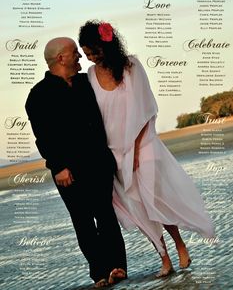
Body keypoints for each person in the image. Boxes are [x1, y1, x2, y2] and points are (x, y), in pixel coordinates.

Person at [78, 21, 215, 278]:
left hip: (145, 143)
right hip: (115, 152)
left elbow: (146, 107)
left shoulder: (131, 66)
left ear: (105, 45)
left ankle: (179, 244)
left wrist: (138, 150)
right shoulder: (91, 76)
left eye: (93, 51)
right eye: (86, 53)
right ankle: (164, 258)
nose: (90, 58)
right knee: (138, 209)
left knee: (155, 200)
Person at [25, 37, 127, 288]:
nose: (80, 57)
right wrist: (58, 166)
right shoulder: (38, 95)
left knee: (105, 216)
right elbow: (43, 136)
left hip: (99, 164)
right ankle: (100, 273)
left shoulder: (87, 83)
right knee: (83, 222)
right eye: (75, 53)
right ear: (60, 58)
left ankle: (118, 267)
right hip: (67, 171)